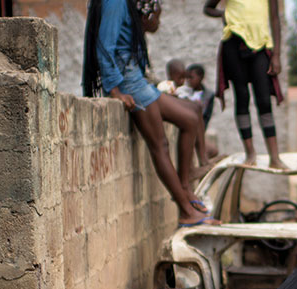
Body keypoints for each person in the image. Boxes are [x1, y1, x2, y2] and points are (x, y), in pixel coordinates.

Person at [82, 0, 214, 226]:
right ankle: (185, 211)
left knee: (192, 117)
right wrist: (115, 91)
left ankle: (185, 188)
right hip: (129, 86)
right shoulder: (115, 1)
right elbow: (104, 46)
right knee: (160, 146)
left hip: (137, 81)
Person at [205, 0, 288, 169]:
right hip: (233, 42)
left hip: (260, 45)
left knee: (264, 100)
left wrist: (276, 54)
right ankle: (250, 152)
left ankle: (275, 157)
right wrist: (223, 14)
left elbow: (274, 18)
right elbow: (208, 8)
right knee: (242, 97)